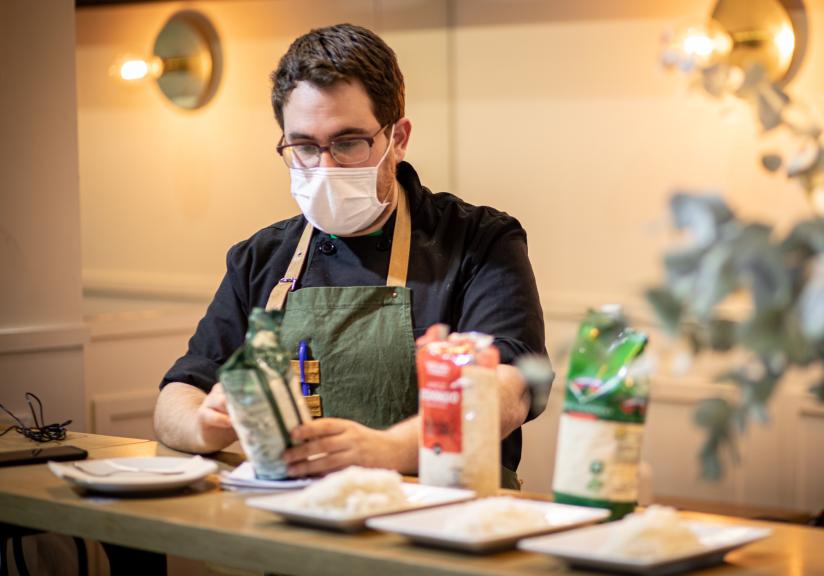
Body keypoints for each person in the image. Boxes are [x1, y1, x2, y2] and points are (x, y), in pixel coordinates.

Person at [153, 23, 548, 488]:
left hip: (443, 524)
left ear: (398, 138)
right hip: (296, 521)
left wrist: (387, 450)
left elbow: (508, 390)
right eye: (303, 146)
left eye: (347, 143)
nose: (324, 167)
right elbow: (177, 395)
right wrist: (203, 423)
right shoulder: (260, 258)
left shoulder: (480, 242)